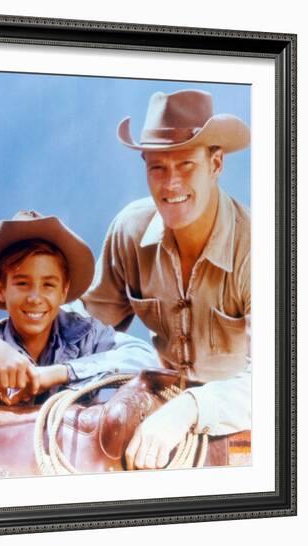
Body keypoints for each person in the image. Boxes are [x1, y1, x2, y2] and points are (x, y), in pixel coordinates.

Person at [82, 89, 251, 469]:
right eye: (157, 167)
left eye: (186, 164)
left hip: (240, 416)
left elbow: (283, 378)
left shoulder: (259, 247)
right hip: (155, 400)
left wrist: (187, 410)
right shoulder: (130, 230)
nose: (170, 183)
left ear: (217, 163)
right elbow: (87, 331)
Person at [0, 209, 157, 406]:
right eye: (22, 284)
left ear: (63, 291)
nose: (35, 298)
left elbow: (146, 358)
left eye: (48, 285)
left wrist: (60, 372)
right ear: (1, 289)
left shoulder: (86, 337)